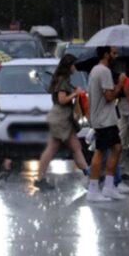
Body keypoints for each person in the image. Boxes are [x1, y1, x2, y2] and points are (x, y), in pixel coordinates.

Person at [36, 54, 91, 192]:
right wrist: (75, 93)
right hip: (60, 117)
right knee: (53, 149)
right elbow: (62, 100)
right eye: (73, 65)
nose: (75, 68)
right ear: (69, 65)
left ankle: (89, 175)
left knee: (75, 147)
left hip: (63, 117)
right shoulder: (62, 81)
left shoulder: (63, 79)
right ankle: (39, 179)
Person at [87, 46, 129, 202]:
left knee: (117, 148)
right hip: (103, 119)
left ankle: (109, 186)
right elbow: (109, 96)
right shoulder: (103, 71)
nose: (115, 55)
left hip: (106, 118)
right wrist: (120, 83)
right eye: (113, 53)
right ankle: (93, 189)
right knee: (100, 151)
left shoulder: (95, 70)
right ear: (106, 54)